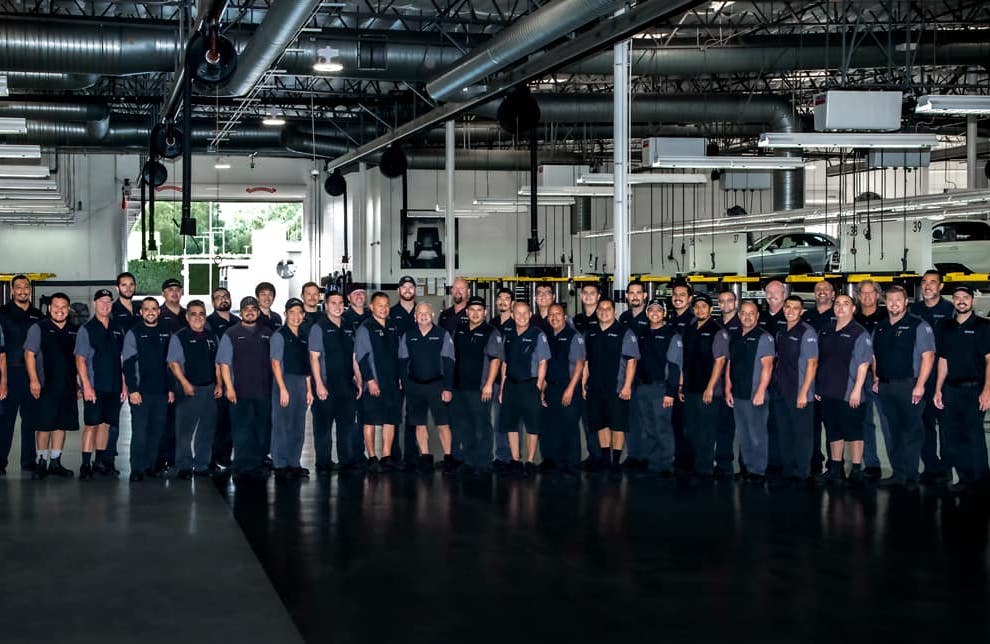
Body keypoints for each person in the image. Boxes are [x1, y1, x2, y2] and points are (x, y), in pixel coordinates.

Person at [872, 284, 935, 488]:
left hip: (909, 386)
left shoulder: (918, 325)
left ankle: (911, 475)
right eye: (890, 300)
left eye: (898, 299)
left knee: (911, 431)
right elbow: (874, 356)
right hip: (886, 387)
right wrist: (875, 378)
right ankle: (898, 473)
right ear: (885, 302)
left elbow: (928, 356)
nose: (894, 303)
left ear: (906, 301)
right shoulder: (880, 327)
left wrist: (920, 385)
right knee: (893, 431)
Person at [933, 285, 990, 494]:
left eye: (965, 297)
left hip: (975, 389)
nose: (961, 301)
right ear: (953, 301)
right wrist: (938, 389)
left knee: (974, 435)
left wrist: (987, 391)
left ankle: (982, 481)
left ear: (972, 300)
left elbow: (989, 360)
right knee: (954, 435)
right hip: (951, 390)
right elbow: (943, 360)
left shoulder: (984, 326)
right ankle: (965, 478)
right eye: (957, 298)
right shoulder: (945, 326)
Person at [815, 295, 872, 485]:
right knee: (833, 431)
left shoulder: (859, 332)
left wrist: (857, 390)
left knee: (853, 432)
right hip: (828, 391)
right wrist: (818, 386)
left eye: (845, 304)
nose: (840, 307)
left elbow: (864, 365)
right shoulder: (825, 331)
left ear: (853, 309)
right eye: (837, 304)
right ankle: (835, 468)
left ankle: (856, 469)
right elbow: (819, 361)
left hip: (849, 392)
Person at [216, 296, 274, 482]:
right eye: (246, 309)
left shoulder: (268, 333)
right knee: (241, 429)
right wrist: (229, 388)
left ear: (258, 312)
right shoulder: (231, 334)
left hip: (264, 390)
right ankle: (242, 465)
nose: (250, 312)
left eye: (253, 309)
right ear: (240, 312)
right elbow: (224, 363)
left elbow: (275, 362)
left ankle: (257, 464)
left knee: (261, 429)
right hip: (239, 391)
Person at [23, 292, 78, 478]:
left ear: (68, 309)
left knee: (61, 425)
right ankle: (41, 462)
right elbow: (29, 354)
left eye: (64, 307)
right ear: (49, 308)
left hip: (68, 386)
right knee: (44, 425)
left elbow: (78, 360)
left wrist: (78, 385)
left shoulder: (74, 330)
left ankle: (55, 462)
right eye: (56, 306)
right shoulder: (39, 328)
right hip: (45, 385)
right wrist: (34, 380)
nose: (60, 310)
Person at [74, 289, 126, 480]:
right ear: (94, 304)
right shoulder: (86, 329)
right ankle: (85, 465)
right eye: (101, 301)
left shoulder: (117, 328)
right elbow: (80, 360)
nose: (105, 305)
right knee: (92, 424)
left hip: (113, 386)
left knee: (105, 425)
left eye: (108, 301)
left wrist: (124, 384)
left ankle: (99, 462)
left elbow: (121, 359)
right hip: (94, 387)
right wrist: (86, 386)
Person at [398, 302, 456, 473]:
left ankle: (448, 458)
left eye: (427, 313)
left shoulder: (442, 334)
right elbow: (402, 361)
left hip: (437, 385)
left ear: (432, 315)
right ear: (415, 316)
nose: (423, 316)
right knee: (419, 424)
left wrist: (448, 388)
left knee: (443, 424)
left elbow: (449, 361)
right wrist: (405, 382)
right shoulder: (408, 335)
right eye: (420, 313)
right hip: (415, 386)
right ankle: (425, 457)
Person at [584, 298, 639, 474]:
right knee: (601, 424)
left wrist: (627, 386)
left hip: (617, 388)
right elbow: (585, 361)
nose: (604, 311)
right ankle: (605, 460)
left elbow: (632, 361)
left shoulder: (625, 332)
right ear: (597, 311)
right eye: (601, 308)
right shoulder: (590, 333)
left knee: (617, 425)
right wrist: (584, 383)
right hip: (595, 387)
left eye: (608, 309)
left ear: (614, 312)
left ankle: (616, 463)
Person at [167, 300, 221, 480]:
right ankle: (183, 465)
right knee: (184, 431)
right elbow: (173, 363)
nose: (198, 317)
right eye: (193, 314)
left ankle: (201, 465)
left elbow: (218, 363)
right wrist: (184, 383)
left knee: (206, 430)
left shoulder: (212, 337)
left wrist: (219, 384)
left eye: (201, 314)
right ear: (187, 317)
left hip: (209, 389)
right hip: (189, 389)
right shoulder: (179, 337)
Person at [122, 297, 174, 482]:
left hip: (161, 392)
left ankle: (150, 466)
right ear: (141, 312)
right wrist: (133, 390)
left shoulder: (167, 333)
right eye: (147, 309)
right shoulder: (134, 333)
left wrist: (170, 389)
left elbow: (171, 364)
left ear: (158, 311)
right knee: (140, 432)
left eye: (154, 308)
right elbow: (128, 364)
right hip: (140, 393)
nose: (150, 312)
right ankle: (137, 468)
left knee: (156, 431)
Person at [310, 289, 362, 473]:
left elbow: (354, 357)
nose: (338, 306)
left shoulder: (349, 326)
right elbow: (314, 357)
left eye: (341, 303)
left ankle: (346, 461)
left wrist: (359, 380)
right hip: (326, 385)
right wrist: (319, 385)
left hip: (347, 385)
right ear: (326, 306)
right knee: (323, 428)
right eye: (333, 303)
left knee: (346, 427)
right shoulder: (319, 327)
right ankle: (323, 463)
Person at [910, 270, 955, 485]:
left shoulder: (950, 310)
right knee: (923, 425)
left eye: (933, 282)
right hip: (920, 378)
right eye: (924, 282)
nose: (927, 286)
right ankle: (930, 466)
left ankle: (946, 469)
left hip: (944, 379)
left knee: (945, 426)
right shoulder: (914, 310)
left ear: (941, 287)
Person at [725, 301, 776, 484]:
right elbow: (730, 364)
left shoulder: (764, 337)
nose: (747, 316)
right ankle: (747, 467)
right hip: (738, 393)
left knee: (757, 433)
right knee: (743, 433)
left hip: (755, 394)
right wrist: (727, 388)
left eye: (751, 313)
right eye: (744, 313)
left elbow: (767, 366)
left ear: (757, 316)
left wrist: (761, 391)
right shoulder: (735, 336)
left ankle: (759, 470)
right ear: (739, 316)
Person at [630, 297, 682, 476]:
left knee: (663, 428)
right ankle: (653, 463)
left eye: (659, 310)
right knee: (648, 427)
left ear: (664, 314)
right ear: (647, 313)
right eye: (651, 310)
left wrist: (670, 392)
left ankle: (666, 464)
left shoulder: (671, 334)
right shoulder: (641, 333)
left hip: (662, 389)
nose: (654, 313)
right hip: (643, 388)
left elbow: (675, 366)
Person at [451, 296, 503, 473]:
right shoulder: (459, 330)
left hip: (480, 388)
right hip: (459, 386)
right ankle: (469, 460)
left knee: (482, 425)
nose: (475, 313)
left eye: (479, 310)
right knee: (465, 425)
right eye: (472, 310)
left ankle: (483, 461)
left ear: (485, 312)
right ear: (467, 312)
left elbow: (495, 360)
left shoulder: (491, 332)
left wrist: (489, 384)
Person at [680, 293, 729, 480]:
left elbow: (720, 361)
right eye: (697, 306)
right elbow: (686, 359)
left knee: (706, 432)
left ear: (711, 309)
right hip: (690, 388)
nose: (700, 309)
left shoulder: (718, 330)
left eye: (704, 306)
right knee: (691, 430)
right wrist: (681, 386)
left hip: (708, 391)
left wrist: (710, 388)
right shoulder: (690, 328)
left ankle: (705, 469)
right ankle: (695, 466)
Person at [498, 300, 550, 476]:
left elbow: (543, 362)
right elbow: (504, 363)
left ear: (530, 315)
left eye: (524, 313)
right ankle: (515, 460)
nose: (521, 316)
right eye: (517, 313)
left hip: (530, 385)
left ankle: (529, 460)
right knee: (511, 424)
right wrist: (502, 388)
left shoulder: (538, 334)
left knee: (532, 426)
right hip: (511, 386)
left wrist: (538, 387)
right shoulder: (508, 335)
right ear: (512, 315)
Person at [770, 295, 818, 483]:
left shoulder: (807, 332)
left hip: (799, 392)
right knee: (784, 431)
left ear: (801, 311)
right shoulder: (781, 331)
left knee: (802, 433)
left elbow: (812, 364)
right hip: (781, 390)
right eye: (787, 307)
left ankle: (802, 471)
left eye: (795, 308)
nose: (790, 311)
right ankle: (788, 468)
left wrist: (804, 392)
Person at [0, 274, 43, 474]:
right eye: (19, 287)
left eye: (26, 287)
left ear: (30, 290)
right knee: (5, 421)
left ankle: (28, 461)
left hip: (31, 375)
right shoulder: (2, 313)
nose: (23, 290)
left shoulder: (38, 315)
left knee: (30, 419)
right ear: (12, 290)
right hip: (8, 372)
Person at [355, 291, 402, 472]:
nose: (383, 308)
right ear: (372, 307)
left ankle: (386, 456)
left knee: (390, 420)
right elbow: (362, 356)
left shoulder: (392, 327)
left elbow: (398, 355)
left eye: (386, 305)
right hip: (374, 383)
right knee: (371, 421)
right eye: (379, 305)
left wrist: (399, 378)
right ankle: (372, 457)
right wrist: (370, 380)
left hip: (392, 383)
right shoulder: (365, 328)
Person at [270, 298, 313, 480]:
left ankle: (294, 462)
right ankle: (280, 464)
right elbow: (275, 363)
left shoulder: (304, 336)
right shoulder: (279, 335)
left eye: (299, 313)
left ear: (303, 315)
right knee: (282, 425)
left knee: (298, 425)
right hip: (285, 382)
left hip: (301, 383)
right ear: (285, 313)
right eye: (292, 312)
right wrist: (282, 388)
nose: (296, 316)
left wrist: (309, 390)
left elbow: (308, 365)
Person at [541, 303, 586, 474]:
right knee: (552, 426)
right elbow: (546, 365)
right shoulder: (547, 336)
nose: (554, 317)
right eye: (551, 315)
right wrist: (543, 389)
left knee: (569, 426)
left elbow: (580, 365)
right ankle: (555, 461)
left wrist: (569, 389)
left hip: (568, 387)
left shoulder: (573, 336)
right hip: (551, 387)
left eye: (558, 314)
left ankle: (572, 464)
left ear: (565, 317)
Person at [854, 279, 891, 480]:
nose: (867, 297)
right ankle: (871, 464)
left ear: (878, 295)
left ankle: (897, 466)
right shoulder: (853, 318)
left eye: (871, 293)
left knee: (888, 422)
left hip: (882, 378)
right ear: (858, 296)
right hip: (860, 379)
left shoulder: (887, 317)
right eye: (863, 293)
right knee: (864, 422)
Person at [805, 279, 836, 476]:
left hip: (833, 379)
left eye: (826, 289)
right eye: (818, 289)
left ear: (833, 294)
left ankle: (835, 466)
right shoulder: (807, 316)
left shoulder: (840, 313)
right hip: (809, 378)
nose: (822, 292)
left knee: (833, 426)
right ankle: (814, 463)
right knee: (812, 425)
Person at [206, 287, 239, 472]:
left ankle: (225, 457)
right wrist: (218, 381)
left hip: (235, 380)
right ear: (213, 302)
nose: (223, 300)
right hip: (216, 381)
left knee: (230, 422)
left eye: (226, 296)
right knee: (214, 422)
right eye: (218, 297)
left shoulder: (237, 322)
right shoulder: (209, 323)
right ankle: (211, 458)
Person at [389, 275, 418, 468]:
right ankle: (393, 453)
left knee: (413, 414)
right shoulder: (391, 313)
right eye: (404, 287)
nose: (407, 290)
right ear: (399, 291)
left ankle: (411, 452)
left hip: (417, 372)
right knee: (394, 414)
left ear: (415, 290)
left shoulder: (421, 311)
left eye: (411, 287)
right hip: (395, 371)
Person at [667, 281, 695, 474]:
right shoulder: (670, 321)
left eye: (682, 295)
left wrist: (682, 383)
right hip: (673, 379)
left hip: (687, 381)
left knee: (688, 423)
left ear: (690, 298)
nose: (678, 297)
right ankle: (678, 457)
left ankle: (689, 460)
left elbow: (689, 355)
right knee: (675, 421)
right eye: (675, 294)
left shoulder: (693, 321)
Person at [715, 289, 741, 477]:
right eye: (722, 301)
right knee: (722, 424)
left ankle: (746, 465)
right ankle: (723, 463)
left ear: (736, 302)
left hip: (737, 382)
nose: (725, 305)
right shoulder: (715, 325)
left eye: (729, 301)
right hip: (717, 381)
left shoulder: (742, 325)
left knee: (743, 426)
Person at [491, 287, 515, 470]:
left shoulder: (518, 324)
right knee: (497, 420)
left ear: (512, 303)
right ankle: (501, 455)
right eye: (500, 298)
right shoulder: (492, 324)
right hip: (495, 381)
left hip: (513, 380)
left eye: (507, 299)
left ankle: (514, 458)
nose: (503, 302)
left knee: (513, 421)